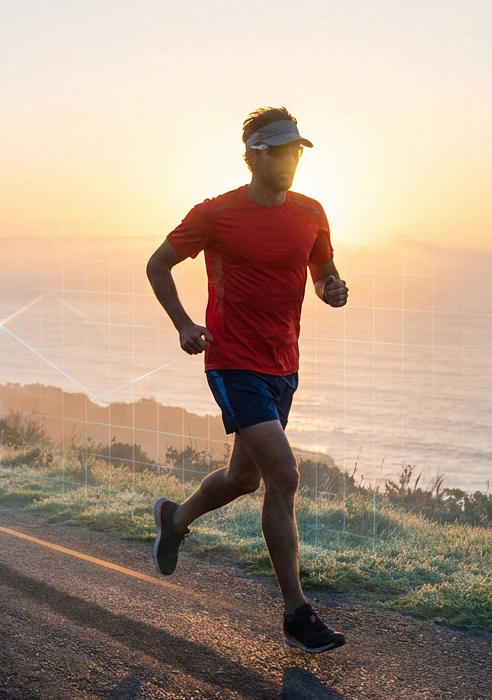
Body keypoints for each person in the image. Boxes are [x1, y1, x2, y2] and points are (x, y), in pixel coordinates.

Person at [144, 107, 349, 653]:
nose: (291, 160)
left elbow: (322, 271)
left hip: (284, 363)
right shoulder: (217, 214)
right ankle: (295, 613)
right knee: (283, 476)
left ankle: (174, 517)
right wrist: (185, 324)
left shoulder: (312, 213)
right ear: (253, 155)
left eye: (297, 151)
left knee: (245, 479)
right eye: (280, 150)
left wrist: (333, 288)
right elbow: (157, 265)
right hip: (232, 361)